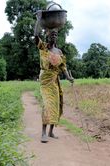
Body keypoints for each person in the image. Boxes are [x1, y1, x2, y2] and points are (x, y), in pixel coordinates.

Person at [34, 11, 74, 143]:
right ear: (47, 35)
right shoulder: (43, 48)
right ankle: (43, 133)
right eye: (51, 34)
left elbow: (63, 67)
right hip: (45, 81)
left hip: (55, 82)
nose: (54, 36)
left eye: (56, 35)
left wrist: (68, 78)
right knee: (47, 104)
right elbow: (35, 35)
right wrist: (39, 19)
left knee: (56, 105)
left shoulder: (59, 52)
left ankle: (51, 132)